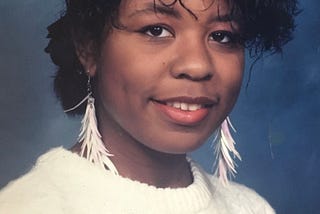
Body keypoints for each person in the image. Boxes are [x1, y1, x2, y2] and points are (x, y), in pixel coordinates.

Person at [0, 0, 298, 213]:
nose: (197, 65)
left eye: (222, 36)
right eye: (156, 30)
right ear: (88, 47)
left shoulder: (250, 208)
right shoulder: (28, 206)